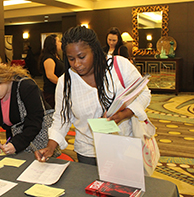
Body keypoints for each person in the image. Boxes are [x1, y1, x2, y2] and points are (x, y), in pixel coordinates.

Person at [35, 26, 151, 165]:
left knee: (125, 185)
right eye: (71, 59)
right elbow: (61, 118)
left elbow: (144, 94)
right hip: (88, 151)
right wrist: (50, 147)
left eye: (82, 57)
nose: (77, 64)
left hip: (124, 144)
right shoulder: (65, 82)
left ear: (94, 50)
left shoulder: (119, 66)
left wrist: (125, 114)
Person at [0, 62, 44, 155]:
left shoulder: (26, 87)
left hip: (35, 142)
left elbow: (35, 121)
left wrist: (16, 144)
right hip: (14, 142)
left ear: (2, 79)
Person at [39, 34, 65, 108]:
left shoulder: (56, 56)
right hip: (52, 92)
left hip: (57, 90)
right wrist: (62, 84)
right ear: (53, 44)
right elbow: (50, 75)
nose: (61, 43)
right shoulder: (49, 58)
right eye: (59, 41)